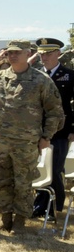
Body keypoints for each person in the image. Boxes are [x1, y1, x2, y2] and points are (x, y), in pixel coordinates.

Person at [0, 41, 64, 232]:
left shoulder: (41, 80)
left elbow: (55, 112)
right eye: (9, 53)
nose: (12, 56)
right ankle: (5, 219)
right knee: (1, 181)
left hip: (25, 141)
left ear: (28, 53)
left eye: (17, 53)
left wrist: (46, 136)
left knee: (23, 183)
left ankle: (19, 221)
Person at [32, 38, 74, 220]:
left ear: (58, 54)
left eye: (48, 53)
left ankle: (53, 206)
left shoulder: (69, 75)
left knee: (55, 169)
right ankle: (41, 206)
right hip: (37, 131)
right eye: (41, 53)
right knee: (40, 168)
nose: (44, 57)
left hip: (60, 131)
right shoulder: (35, 75)